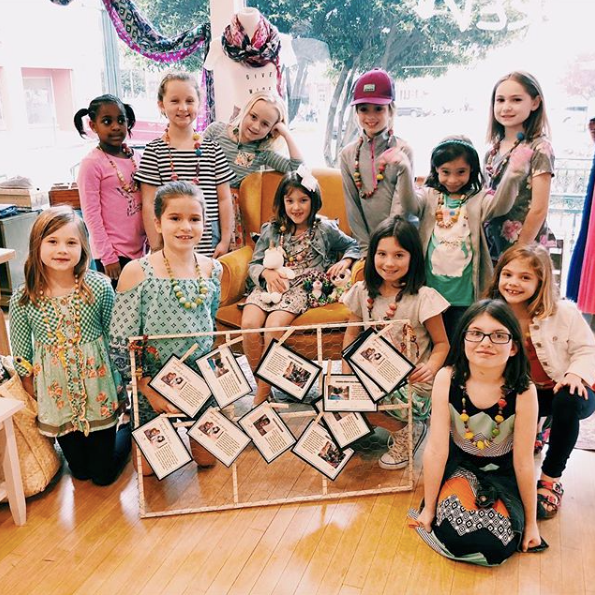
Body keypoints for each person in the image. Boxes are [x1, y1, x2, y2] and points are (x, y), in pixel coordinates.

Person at [410, 299, 542, 566]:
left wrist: (531, 524)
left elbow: (524, 462)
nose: (485, 342)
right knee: (455, 535)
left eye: (499, 335)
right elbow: (436, 450)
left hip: (504, 472)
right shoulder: (447, 378)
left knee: (496, 545)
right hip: (461, 465)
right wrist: (429, 509)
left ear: (514, 347)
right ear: (463, 340)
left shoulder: (524, 391)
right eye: (476, 333)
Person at [9, 206, 129, 486]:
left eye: (71, 242)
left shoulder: (99, 288)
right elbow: (22, 353)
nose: (62, 249)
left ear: (83, 247)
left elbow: (115, 337)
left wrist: (121, 382)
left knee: (102, 476)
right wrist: (30, 387)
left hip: (99, 388)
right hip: (56, 395)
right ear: (37, 245)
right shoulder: (24, 298)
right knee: (80, 472)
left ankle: (127, 430)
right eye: (53, 241)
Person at [110, 181, 222, 472]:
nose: (185, 227)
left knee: (207, 460)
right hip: (151, 381)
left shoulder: (213, 269)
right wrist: (147, 389)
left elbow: (210, 323)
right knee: (148, 471)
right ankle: (129, 424)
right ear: (158, 223)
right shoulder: (136, 271)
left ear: (204, 223)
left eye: (194, 219)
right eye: (175, 218)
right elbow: (120, 343)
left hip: (198, 381)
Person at [484, 244, 595, 519]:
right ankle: (520, 444)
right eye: (508, 274)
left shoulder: (564, 312)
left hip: (562, 389)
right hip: (524, 392)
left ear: (541, 282)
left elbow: (587, 348)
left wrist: (574, 374)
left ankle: (550, 479)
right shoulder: (491, 314)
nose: (513, 283)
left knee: (567, 401)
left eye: (525, 277)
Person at [242, 169, 361, 405]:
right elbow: (254, 264)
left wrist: (346, 261)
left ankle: (260, 398)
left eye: (303, 200)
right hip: (269, 285)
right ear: (282, 202)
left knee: (273, 327)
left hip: (301, 287)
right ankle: (264, 386)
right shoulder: (272, 229)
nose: (296, 207)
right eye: (290, 201)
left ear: (313, 201)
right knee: (249, 325)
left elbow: (354, 245)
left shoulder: (324, 228)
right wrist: (266, 272)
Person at [393, 135, 532, 338]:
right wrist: (405, 170)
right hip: (430, 294)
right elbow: (409, 204)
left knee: (461, 343)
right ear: (436, 170)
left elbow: (501, 206)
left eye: (461, 172)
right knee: (433, 343)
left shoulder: (478, 198)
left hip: (465, 297)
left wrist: (513, 176)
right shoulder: (429, 196)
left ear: (471, 171)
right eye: (445, 172)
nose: (452, 180)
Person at [342, 215, 449, 470]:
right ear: (372, 255)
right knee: (338, 395)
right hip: (374, 377)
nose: (389, 263)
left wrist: (431, 367)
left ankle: (407, 431)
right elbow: (351, 335)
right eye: (382, 254)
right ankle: (370, 425)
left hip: (413, 385)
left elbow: (442, 344)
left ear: (413, 258)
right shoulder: (362, 292)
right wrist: (345, 375)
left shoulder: (423, 298)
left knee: (361, 400)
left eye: (399, 255)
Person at [135, 72, 235, 257]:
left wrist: (225, 240)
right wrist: (156, 246)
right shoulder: (154, 151)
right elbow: (148, 203)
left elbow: (224, 199)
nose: (183, 107)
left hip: (209, 244)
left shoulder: (213, 149)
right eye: (175, 101)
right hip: (170, 244)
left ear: (199, 104)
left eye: (190, 101)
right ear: (161, 104)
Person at [202, 91, 303, 248]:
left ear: (272, 130)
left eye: (265, 124)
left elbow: (298, 169)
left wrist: (285, 133)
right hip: (202, 199)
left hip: (227, 212)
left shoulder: (262, 152)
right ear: (245, 111)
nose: (256, 126)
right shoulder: (216, 131)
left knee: (220, 256)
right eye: (253, 117)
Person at [340, 68, 414, 256]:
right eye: (364, 109)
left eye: (378, 108)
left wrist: (387, 249)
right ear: (356, 112)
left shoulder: (403, 151)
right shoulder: (347, 155)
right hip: (368, 247)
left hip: (400, 243)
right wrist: (366, 250)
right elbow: (352, 207)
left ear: (390, 110)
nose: (370, 116)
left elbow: (401, 208)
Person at [74, 94, 146, 287]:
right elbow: (91, 215)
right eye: (107, 121)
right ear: (93, 125)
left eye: (121, 120)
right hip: (114, 254)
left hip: (141, 251)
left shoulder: (136, 157)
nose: (116, 127)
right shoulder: (91, 163)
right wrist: (107, 256)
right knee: (118, 304)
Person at [484, 71, 555, 260]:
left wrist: (519, 252)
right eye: (500, 100)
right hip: (491, 246)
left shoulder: (539, 147)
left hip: (524, 249)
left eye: (516, 100)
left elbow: (539, 208)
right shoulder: (491, 152)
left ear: (535, 102)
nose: (506, 107)